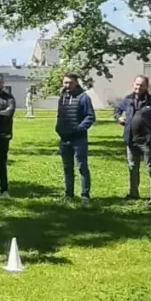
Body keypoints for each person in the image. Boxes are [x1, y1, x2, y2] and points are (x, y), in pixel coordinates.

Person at [113, 75, 151, 208]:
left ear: (147, 86)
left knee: (150, 169)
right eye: (137, 84)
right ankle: (133, 193)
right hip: (131, 140)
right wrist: (118, 118)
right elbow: (117, 109)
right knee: (132, 167)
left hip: (147, 140)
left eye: (141, 85)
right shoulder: (128, 100)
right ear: (133, 84)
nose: (138, 87)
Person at [56, 73, 96, 205]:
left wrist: (79, 129)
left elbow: (90, 117)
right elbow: (60, 115)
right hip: (64, 138)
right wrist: (58, 128)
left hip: (79, 139)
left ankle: (85, 196)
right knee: (67, 167)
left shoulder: (83, 97)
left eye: (70, 83)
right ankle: (68, 194)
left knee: (81, 167)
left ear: (76, 83)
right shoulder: (62, 97)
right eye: (65, 83)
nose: (67, 85)